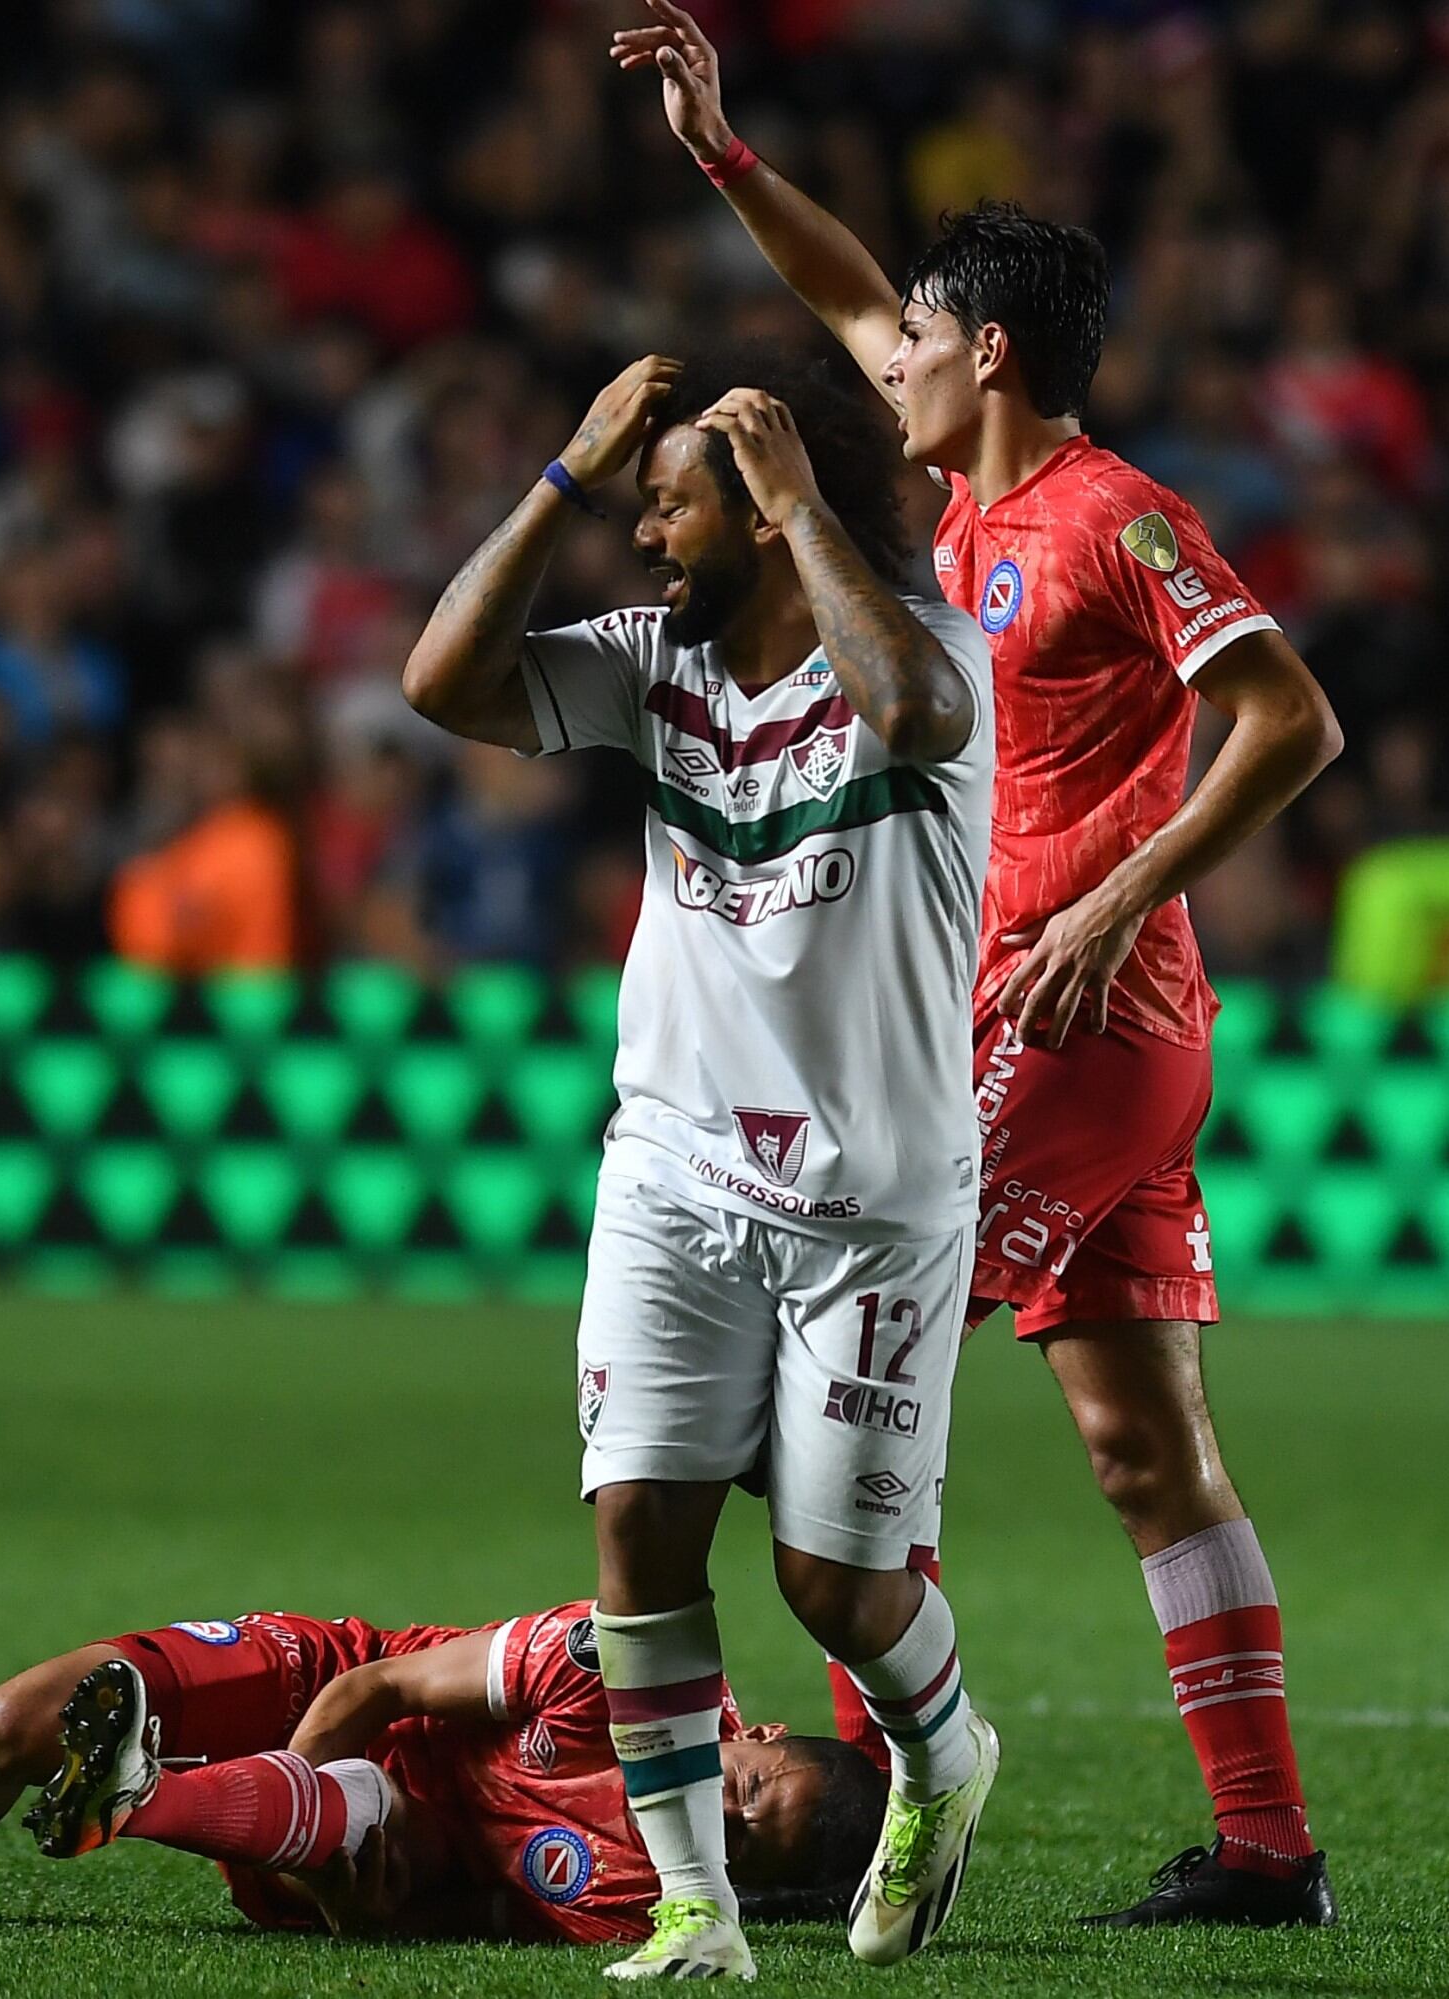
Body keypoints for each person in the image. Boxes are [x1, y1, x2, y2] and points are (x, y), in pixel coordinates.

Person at [616, 0, 1345, 1930]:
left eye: (922, 345)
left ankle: (896, 1787)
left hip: (1075, 1009)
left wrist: (1110, 898)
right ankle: (1266, 1850)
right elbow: (848, 281)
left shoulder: (1108, 517)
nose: (887, 364)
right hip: (1062, 1015)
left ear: (992, 353)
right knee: (1142, 1447)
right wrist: (718, 147)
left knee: (821, 1403)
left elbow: (1287, 719)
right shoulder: (963, 502)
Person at [402, 341, 999, 1978]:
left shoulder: (926, 648)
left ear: (760, 502)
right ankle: (693, 1908)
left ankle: (946, 1752)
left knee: (830, 1582)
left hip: (871, 1205)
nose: (642, 536)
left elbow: (918, 712)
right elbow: (438, 682)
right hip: (672, 1173)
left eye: (670, 505)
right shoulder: (639, 664)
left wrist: (800, 501)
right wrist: (561, 473)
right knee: (637, 1536)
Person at [0, 1600, 883, 1946]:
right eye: (747, 1788)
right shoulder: (620, 1662)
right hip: (322, 1684)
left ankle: (128, 1793)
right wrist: (271, 1785)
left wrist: (340, 1893)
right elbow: (376, 1692)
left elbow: (437, 1920)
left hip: (357, 1844)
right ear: (757, 1731)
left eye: (744, 1842)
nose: (719, 1815)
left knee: (361, 1816)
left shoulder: (637, 1898)